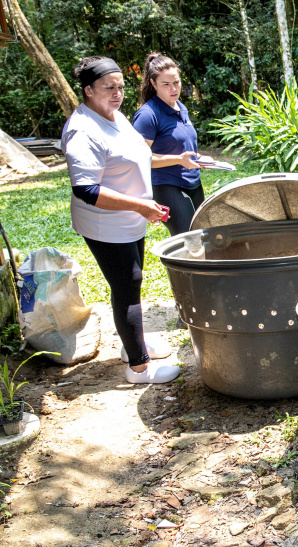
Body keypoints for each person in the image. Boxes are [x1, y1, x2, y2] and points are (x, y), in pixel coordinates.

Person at [61, 56, 180, 385]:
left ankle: (133, 346)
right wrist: (140, 206)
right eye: (108, 87)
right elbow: (86, 189)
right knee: (127, 286)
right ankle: (138, 368)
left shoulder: (116, 116)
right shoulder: (82, 130)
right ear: (88, 90)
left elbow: (141, 156)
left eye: (120, 87)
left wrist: (144, 203)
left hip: (131, 219)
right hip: (105, 224)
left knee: (133, 284)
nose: (117, 93)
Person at [132, 52, 202, 237]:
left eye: (176, 82)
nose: (173, 88)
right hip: (166, 186)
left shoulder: (180, 106)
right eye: (166, 84)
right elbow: (138, 159)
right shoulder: (147, 115)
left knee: (203, 236)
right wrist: (178, 160)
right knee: (188, 241)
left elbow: (182, 146)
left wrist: (199, 158)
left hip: (193, 183)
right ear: (153, 84)